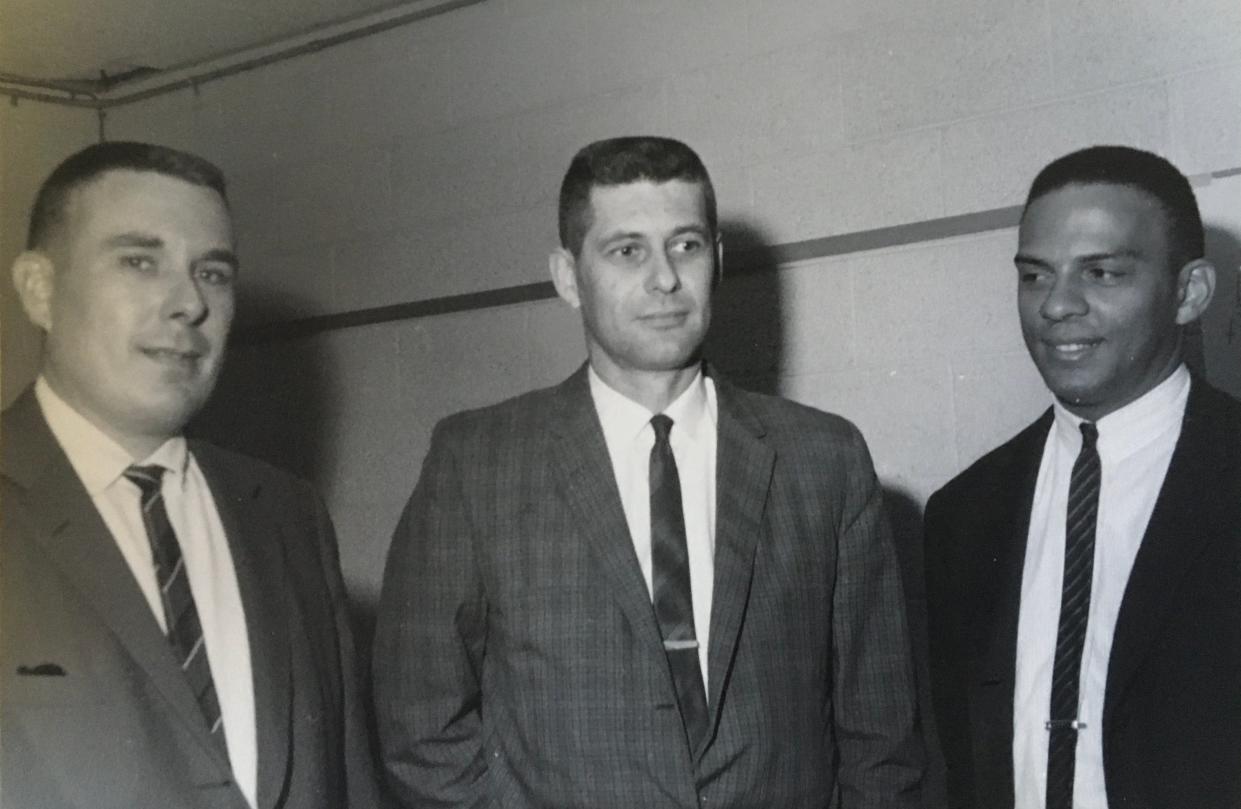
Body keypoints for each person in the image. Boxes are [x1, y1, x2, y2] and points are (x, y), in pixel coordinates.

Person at [372, 136, 923, 808]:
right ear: (568, 276)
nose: (663, 278)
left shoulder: (823, 461)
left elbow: (882, 743)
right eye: (626, 249)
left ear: (716, 260)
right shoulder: (476, 463)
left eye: (685, 245)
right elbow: (418, 728)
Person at [0, 141, 379, 809]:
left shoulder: (287, 514)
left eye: (212, 273)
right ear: (39, 288)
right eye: (140, 261)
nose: (188, 304)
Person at [924, 145, 1241, 809]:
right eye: (1034, 276)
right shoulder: (962, 512)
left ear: (1189, 293)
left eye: (1100, 272)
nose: (1056, 305)